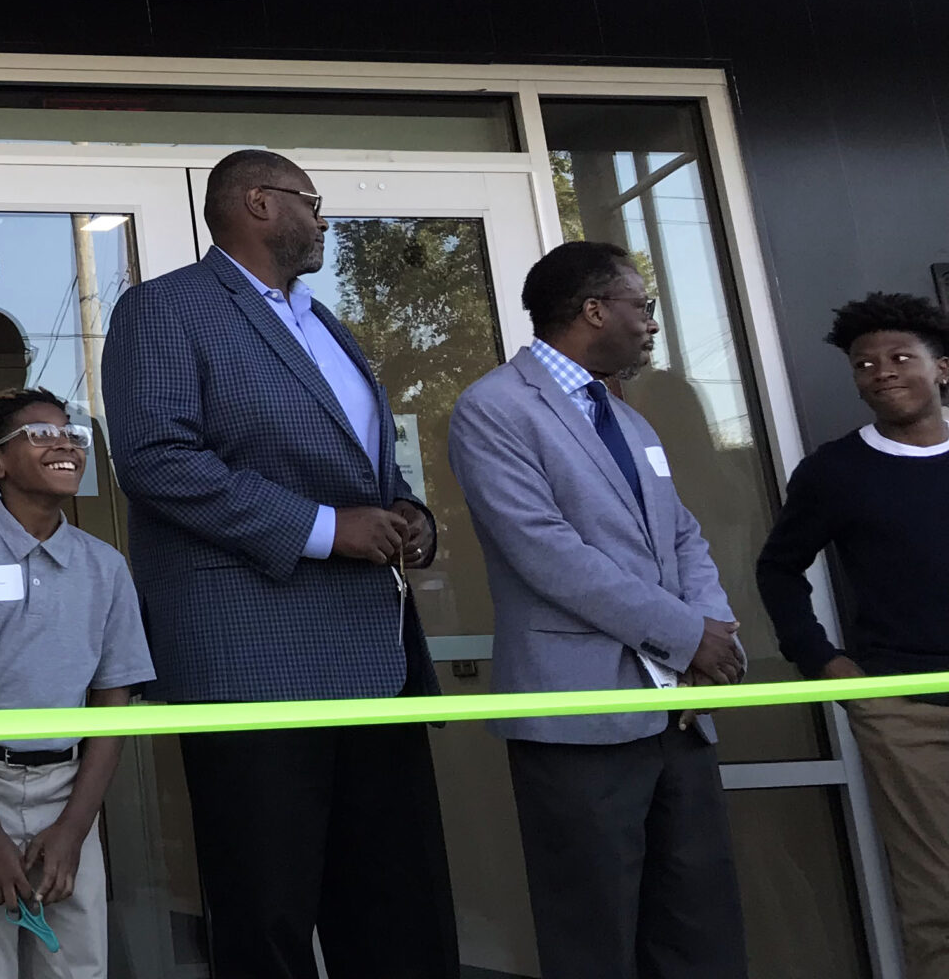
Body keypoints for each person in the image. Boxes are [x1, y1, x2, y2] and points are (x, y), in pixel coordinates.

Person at [99, 148, 452, 979]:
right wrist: (329, 529)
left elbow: (369, 466)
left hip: (376, 664)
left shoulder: (325, 322)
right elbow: (156, 459)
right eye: (311, 199)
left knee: (402, 918)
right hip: (255, 665)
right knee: (269, 925)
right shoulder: (164, 309)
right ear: (259, 203)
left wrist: (408, 515)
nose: (324, 217)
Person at [448, 240, 746, 979]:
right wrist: (686, 635)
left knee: (699, 933)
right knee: (595, 939)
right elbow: (547, 553)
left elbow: (682, 536)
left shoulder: (629, 420)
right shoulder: (494, 409)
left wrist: (713, 625)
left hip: (677, 715)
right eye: (642, 306)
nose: (652, 324)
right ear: (593, 309)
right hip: (579, 719)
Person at [0, 386, 153, 979]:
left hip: (68, 789)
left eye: (73, 435)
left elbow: (112, 700)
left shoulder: (105, 566)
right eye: (41, 435)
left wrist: (74, 828)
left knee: (76, 965)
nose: (66, 443)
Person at [757, 292, 949, 979]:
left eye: (901, 357)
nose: (883, 372)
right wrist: (824, 662)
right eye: (865, 364)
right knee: (939, 893)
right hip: (903, 708)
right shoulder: (837, 471)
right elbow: (779, 570)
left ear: (942, 369)